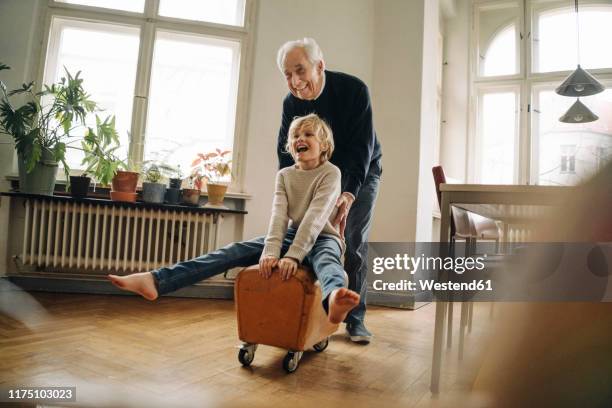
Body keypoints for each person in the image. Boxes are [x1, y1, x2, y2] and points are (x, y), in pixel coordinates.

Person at [108, 114, 360, 325]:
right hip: (294, 235)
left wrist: (293, 256)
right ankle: (155, 280)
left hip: (325, 237)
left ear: (324, 145)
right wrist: (271, 252)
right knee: (234, 250)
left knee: (327, 261)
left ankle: (334, 298)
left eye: (308, 135)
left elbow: (315, 219)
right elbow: (279, 216)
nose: (300, 139)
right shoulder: (284, 175)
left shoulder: (331, 173)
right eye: (295, 136)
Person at [276, 38, 382, 343]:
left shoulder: (354, 91)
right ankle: (315, 312)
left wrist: (347, 195)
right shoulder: (291, 103)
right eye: (287, 74)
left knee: (351, 239)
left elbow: (361, 149)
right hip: (315, 173)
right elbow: (285, 155)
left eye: (300, 70)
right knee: (308, 236)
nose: (295, 82)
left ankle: (356, 318)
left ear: (319, 66)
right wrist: (285, 196)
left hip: (359, 171)